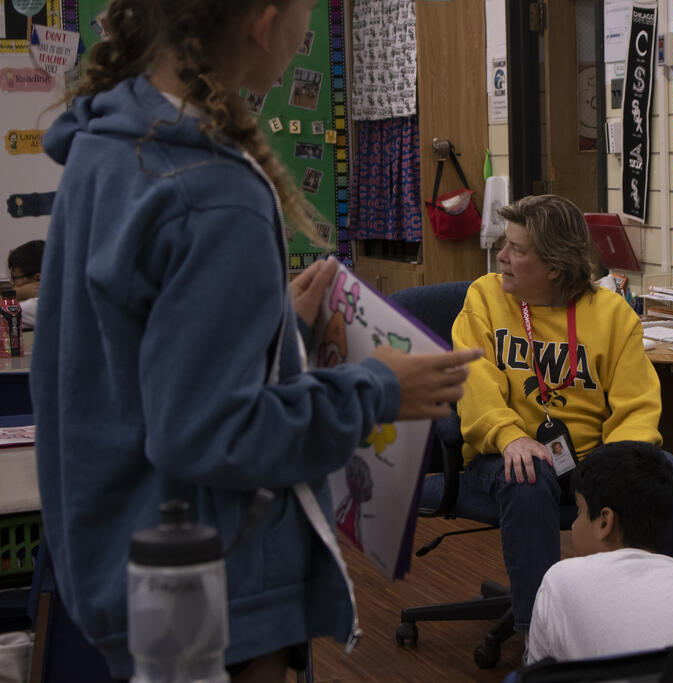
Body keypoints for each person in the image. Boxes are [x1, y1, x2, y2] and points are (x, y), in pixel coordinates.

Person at [33, 1, 481, 680]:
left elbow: (142, 364)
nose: (304, 37)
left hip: (129, 565)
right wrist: (378, 388)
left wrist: (278, 328)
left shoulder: (110, 146)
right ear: (264, 22)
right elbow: (212, 432)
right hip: (214, 588)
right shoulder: (212, 192)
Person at [451, 194, 673, 640]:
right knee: (527, 477)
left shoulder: (612, 314)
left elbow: (637, 405)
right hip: (506, 451)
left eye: (516, 249)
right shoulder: (484, 297)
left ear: (554, 267)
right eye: (505, 245)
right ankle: (539, 639)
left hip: (595, 458)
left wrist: (617, 467)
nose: (501, 257)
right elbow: (474, 382)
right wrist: (509, 437)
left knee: (672, 481)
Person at [526, 441, 673, 664]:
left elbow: (536, 673)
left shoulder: (560, 580)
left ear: (605, 522)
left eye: (579, 511)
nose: (573, 524)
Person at [6, 239, 43, 327]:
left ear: (38, 278)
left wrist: (17, 294)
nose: (12, 284)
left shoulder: (35, 306)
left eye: (15, 278)